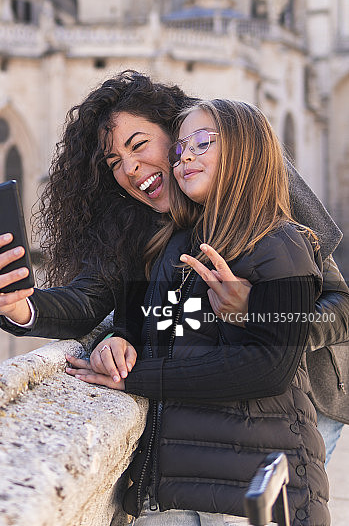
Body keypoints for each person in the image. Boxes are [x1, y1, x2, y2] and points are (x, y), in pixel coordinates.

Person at [0, 71, 349, 459]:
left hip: (310, 396)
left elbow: (342, 305)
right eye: (114, 161)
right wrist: (21, 305)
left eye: (140, 145)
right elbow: (91, 298)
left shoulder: (253, 170)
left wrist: (258, 311)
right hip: (215, 409)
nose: (130, 169)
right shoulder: (137, 216)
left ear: (177, 132)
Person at [66, 98, 331, 524]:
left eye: (204, 142)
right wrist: (114, 343)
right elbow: (146, 328)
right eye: (180, 148)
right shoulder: (176, 247)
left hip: (255, 497)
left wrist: (136, 378)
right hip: (173, 491)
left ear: (246, 150)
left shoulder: (282, 243)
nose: (185, 155)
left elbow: (270, 368)